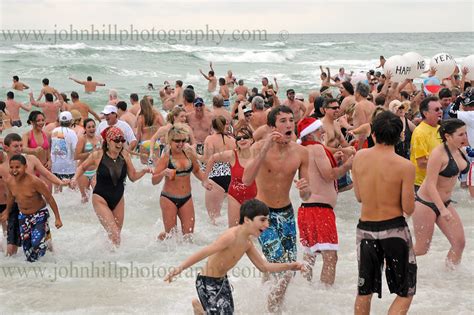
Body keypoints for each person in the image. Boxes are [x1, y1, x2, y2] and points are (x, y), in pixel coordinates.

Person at [164, 199, 304, 315]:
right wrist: (179, 269)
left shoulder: (247, 243)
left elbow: (263, 266)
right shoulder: (230, 236)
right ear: (247, 220)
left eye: (267, 221)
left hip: (222, 282)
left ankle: (201, 313)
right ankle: (201, 311)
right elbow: (205, 251)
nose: (266, 225)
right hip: (207, 283)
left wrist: (291, 265)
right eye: (262, 220)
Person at [242, 105, 311, 312]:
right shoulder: (258, 147)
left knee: (285, 267)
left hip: (287, 214)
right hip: (262, 215)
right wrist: (264, 148)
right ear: (272, 127)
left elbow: (306, 195)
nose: (289, 124)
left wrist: (305, 189)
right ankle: (273, 310)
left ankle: (264, 296)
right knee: (286, 269)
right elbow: (246, 180)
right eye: (283, 121)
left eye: (291, 120)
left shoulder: (301, 152)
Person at [352, 111, 416, 315]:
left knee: (364, 290)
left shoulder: (359, 157)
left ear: (373, 134)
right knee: (406, 290)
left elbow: (359, 197)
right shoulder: (405, 166)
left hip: (366, 231)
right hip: (394, 230)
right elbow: (408, 208)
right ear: (400, 136)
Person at [296, 117, 354, 285]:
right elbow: (329, 175)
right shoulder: (316, 148)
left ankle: (305, 293)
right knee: (330, 257)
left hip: (306, 209)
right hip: (320, 211)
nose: (322, 132)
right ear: (310, 133)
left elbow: (317, 174)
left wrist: (335, 160)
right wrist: (347, 165)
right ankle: (326, 296)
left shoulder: (304, 150)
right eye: (319, 129)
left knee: (309, 257)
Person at [72, 126, 150, 247]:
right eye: (117, 140)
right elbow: (82, 167)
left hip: (118, 198)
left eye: (122, 141)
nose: (120, 143)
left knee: (116, 237)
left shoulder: (125, 155)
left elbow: (133, 177)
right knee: (115, 235)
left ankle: (112, 260)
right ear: (108, 141)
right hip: (100, 198)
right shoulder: (98, 155)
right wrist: (74, 178)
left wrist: (144, 171)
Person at [412, 119, 469, 267]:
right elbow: (430, 184)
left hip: (445, 202)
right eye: (461, 134)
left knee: (459, 243)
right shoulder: (438, 153)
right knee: (421, 248)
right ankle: (388, 261)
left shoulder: (460, 150)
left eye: (466, 133)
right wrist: (442, 210)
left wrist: (444, 207)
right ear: (448, 136)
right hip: (426, 204)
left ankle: (449, 277)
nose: (465, 137)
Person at [0, 133, 66, 256]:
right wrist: (6, 211)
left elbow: (46, 174)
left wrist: (60, 183)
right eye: (16, 146)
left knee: (39, 245)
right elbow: (9, 195)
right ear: (6, 147)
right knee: (18, 250)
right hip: (17, 209)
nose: (19, 148)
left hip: (36, 207)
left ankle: (49, 254)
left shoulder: (31, 160)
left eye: (21, 145)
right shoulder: (4, 167)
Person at [151, 124, 211, 241]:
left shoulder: (189, 153)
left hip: (186, 198)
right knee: (171, 238)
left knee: (189, 237)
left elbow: (197, 170)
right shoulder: (166, 157)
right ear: (170, 141)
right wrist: (163, 173)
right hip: (169, 198)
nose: (181, 144)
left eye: (183, 140)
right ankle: (160, 240)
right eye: (177, 141)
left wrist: (205, 181)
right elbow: (154, 180)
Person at [203, 126, 256, 227]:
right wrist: (205, 179)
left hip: (253, 197)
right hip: (235, 197)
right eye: (238, 138)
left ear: (251, 140)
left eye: (245, 137)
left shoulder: (257, 156)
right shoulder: (232, 155)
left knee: (254, 234)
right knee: (234, 232)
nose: (242, 140)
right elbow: (212, 158)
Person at [201, 116, 236, 224]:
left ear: (213, 126)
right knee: (231, 217)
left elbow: (207, 160)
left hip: (215, 178)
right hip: (231, 177)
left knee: (214, 218)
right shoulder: (232, 140)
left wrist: (194, 154)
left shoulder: (210, 139)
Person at [410, 96, 443, 190]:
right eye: (437, 109)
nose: (440, 111)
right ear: (425, 113)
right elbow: (422, 162)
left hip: (436, 180)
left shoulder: (439, 128)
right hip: (422, 184)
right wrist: (445, 164)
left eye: (441, 108)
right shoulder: (420, 132)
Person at [50, 112, 78, 192]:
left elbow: (56, 148)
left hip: (56, 166)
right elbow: (75, 148)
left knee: (57, 190)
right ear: (71, 121)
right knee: (72, 190)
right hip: (69, 166)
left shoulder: (55, 131)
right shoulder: (71, 132)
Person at [75, 118, 101, 203]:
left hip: (95, 171)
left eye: (93, 126)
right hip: (84, 172)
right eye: (89, 127)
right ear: (85, 129)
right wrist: (90, 153)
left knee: (98, 195)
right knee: (85, 198)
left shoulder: (99, 138)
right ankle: (83, 215)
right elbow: (76, 156)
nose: (91, 129)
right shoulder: (82, 139)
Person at [22, 111, 51, 180]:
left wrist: (50, 160)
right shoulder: (27, 135)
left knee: (48, 190)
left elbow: (48, 150)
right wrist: (34, 150)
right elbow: (23, 149)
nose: (41, 123)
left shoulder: (47, 134)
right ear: (32, 122)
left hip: (45, 169)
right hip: (32, 169)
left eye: (43, 120)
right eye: (38, 121)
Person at [136, 97, 162, 164]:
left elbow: (138, 134)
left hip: (144, 143)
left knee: (145, 166)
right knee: (156, 165)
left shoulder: (140, 118)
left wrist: (135, 145)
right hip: (155, 143)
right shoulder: (156, 115)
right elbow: (164, 126)